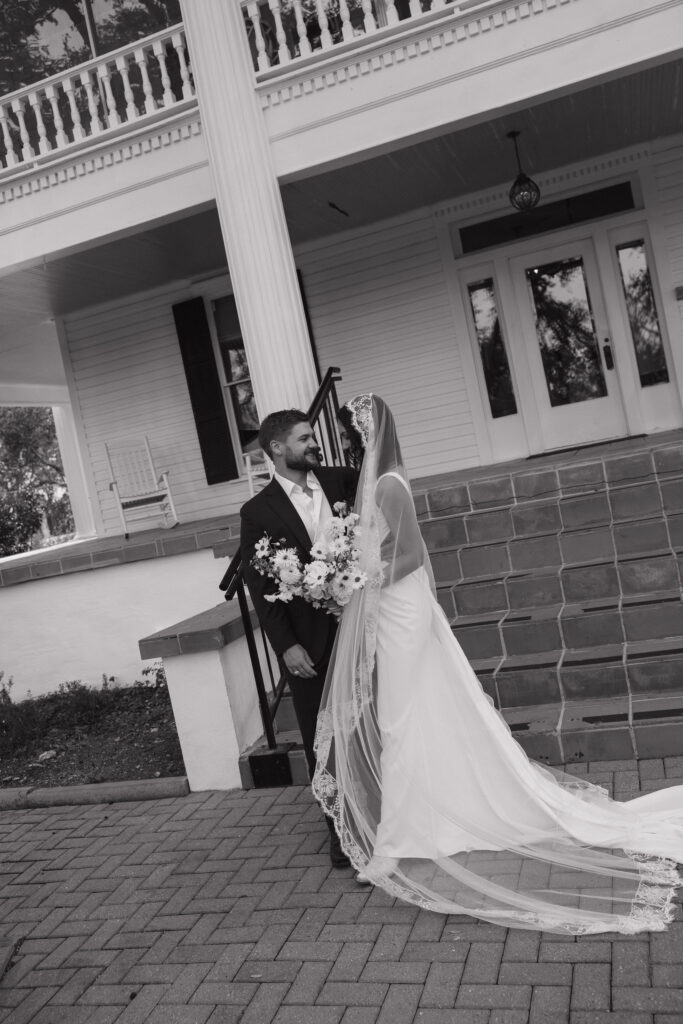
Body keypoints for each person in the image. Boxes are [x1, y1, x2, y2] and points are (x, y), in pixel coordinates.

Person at [312, 394, 683, 934]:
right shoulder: (374, 483)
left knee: (400, 718)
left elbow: (412, 555)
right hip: (389, 607)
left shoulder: (389, 484)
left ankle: (396, 842)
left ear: (369, 432)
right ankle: (426, 818)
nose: (349, 438)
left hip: (402, 611)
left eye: (354, 429)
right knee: (416, 717)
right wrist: (355, 571)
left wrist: (361, 577)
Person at [240, 409, 358, 869]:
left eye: (313, 436)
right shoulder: (257, 511)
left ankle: (383, 814)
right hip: (309, 644)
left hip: (359, 626)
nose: (314, 443)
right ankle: (340, 832)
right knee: (320, 738)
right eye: (304, 438)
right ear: (277, 449)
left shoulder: (341, 482)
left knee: (369, 724)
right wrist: (286, 645)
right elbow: (260, 588)